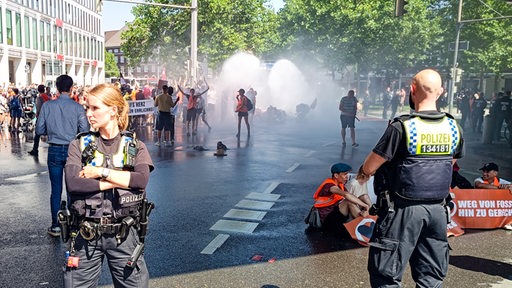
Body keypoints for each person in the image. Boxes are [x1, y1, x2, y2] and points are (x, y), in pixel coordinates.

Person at [357, 69, 464, 287]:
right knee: (431, 277)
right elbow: (451, 164)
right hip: (437, 211)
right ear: (441, 92)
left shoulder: (402, 127)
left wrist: (364, 173)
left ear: (412, 90)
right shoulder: (453, 127)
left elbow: (370, 167)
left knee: (386, 274)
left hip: (401, 210)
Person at [63, 83, 154, 287]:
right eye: (87, 108)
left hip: (124, 235)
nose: (88, 114)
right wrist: (115, 181)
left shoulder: (135, 146)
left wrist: (99, 173)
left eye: (95, 108)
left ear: (113, 110)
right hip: (86, 234)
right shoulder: (78, 144)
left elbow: (140, 181)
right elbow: (74, 184)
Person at [36, 74, 90, 236]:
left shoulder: (47, 106)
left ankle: (55, 226)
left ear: (57, 88)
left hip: (54, 149)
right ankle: (74, 225)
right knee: (73, 188)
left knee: (56, 190)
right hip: (73, 150)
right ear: (71, 88)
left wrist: (51, 131)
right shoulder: (78, 107)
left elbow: (39, 130)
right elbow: (85, 131)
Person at [312, 163, 370, 231]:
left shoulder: (340, 184)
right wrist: (365, 205)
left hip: (335, 213)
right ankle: (365, 227)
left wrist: (364, 205)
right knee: (348, 201)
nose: (347, 177)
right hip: (326, 220)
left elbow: (351, 196)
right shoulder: (329, 185)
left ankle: (369, 217)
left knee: (363, 196)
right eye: (345, 174)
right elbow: (346, 195)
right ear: (336, 175)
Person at [28, 85, 51, 156]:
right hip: (48, 117)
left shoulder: (40, 97)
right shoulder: (47, 97)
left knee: (37, 134)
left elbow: (38, 108)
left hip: (41, 117)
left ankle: (35, 149)